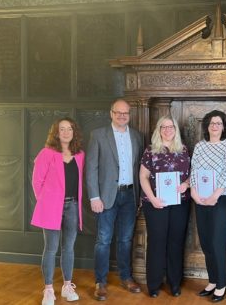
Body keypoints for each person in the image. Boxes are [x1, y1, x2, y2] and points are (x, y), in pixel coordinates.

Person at [86, 98, 144, 301]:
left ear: (130, 115)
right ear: (111, 113)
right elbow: (91, 168)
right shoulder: (98, 135)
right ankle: (100, 282)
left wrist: (140, 197)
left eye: (125, 113)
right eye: (118, 112)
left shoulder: (137, 136)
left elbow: (139, 168)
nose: (122, 116)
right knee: (103, 240)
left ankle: (126, 277)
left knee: (126, 239)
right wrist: (94, 196)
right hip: (106, 196)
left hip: (130, 195)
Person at [31, 117, 85, 305]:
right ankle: (48, 290)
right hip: (51, 207)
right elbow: (37, 181)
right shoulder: (46, 153)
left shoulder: (79, 155)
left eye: (69, 129)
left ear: (74, 132)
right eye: (62, 129)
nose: (66, 132)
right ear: (56, 132)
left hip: (72, 206)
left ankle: (67, 286)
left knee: (68, 247)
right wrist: (46, 202)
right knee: (51, 248)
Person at [139, 115, 191, 298]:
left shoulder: (184, 150)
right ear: (158, 130)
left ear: (176, 130)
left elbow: (193, 174)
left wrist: (186, 184)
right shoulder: (150, 151)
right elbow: (143, 176)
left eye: (171, 127)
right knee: (156, 242)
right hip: (155, 204)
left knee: (176, 243)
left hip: (180, 203)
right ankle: (153, 284)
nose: (168, 130)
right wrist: (152, 198)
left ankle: (174, 283)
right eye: (164, 127)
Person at [190, 110, 226, 303]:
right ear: (207, 126)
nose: (215, 126)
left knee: (218, 243)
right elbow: (193, 170)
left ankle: (221, 284)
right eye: (211, 122)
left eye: (218, 123)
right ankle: (212, 280)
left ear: (224, 126)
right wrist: (194, 192)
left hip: (221, 199)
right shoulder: (200, 146)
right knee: (206, 243)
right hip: (200, 200)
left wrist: (215, 195)